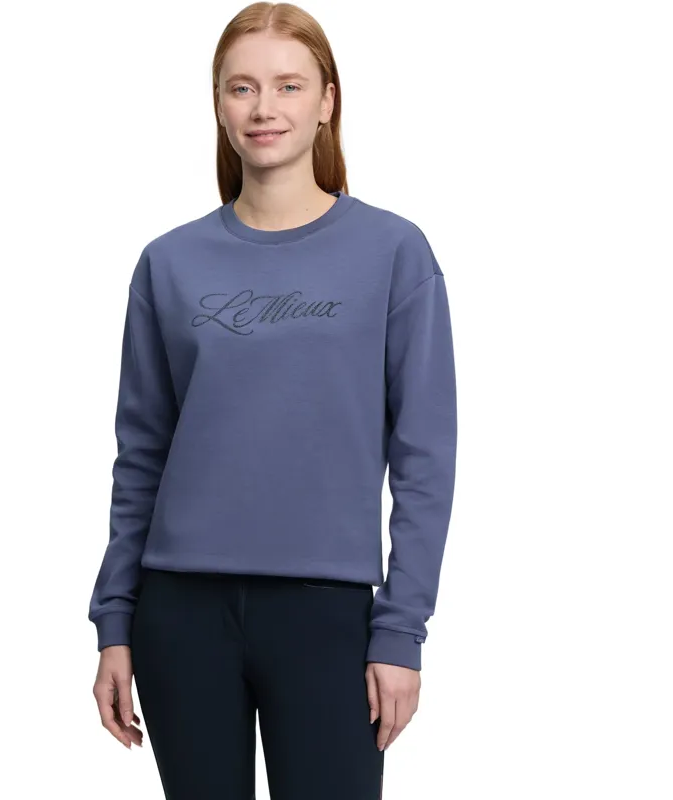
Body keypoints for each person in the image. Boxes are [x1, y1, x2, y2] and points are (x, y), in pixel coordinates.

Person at [89, 3, 458, 798]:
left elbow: (426, 457)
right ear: (219, 105)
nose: (264, 108)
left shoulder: (394, 253)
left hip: (327, 616)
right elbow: (141, 456)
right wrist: (114, 621)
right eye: (242, 87)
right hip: (180, 612)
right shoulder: (169, 263)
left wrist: (401, 629)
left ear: (327, 101)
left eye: (289, 85)